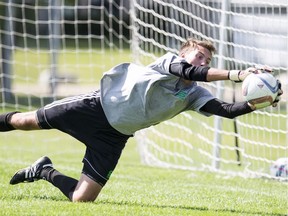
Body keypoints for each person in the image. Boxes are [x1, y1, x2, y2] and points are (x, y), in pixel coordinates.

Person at [0, 38, 282, 202]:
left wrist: (259, 102)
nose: (203, 62)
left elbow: (227, 110)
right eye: (199, 56)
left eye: (207, 60)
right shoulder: (168, 62)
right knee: (24, 121)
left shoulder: (193, 95)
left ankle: (43, 170)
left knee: (81, 199)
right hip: (93, 108)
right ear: (184, 54)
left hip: (113, 137)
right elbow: (191, 71)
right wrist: (238, 74)